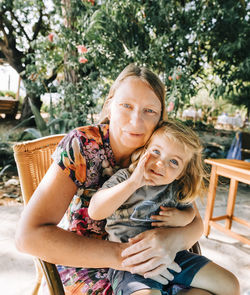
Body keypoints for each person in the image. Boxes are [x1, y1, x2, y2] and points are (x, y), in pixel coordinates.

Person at [15, 64, 220, 295]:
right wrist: (126, 257)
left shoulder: (161, 152)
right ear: (109, 106)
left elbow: (194, 221)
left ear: (161, 119)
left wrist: (172, 240)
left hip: (155, 261)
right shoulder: (82, 146)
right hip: (89, 261)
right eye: (126, 106)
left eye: (149, 111)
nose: (136, 121)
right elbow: (27, 237)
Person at [88, 120, 240, 295]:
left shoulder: (177, 188)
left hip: (174, 256)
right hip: (132, 263)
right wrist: (133, 183)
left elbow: (191, 213)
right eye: (156, 152)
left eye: (174, 162)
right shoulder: (125, 177)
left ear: (182, 172)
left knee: (230, 285)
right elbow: (95, 211)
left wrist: (181, 218)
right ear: (144, 151)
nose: (160, 163)